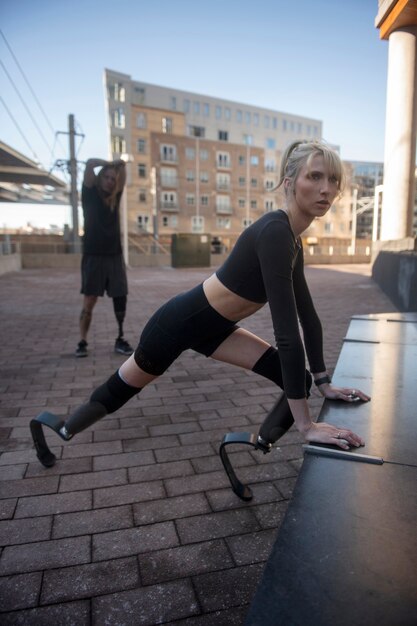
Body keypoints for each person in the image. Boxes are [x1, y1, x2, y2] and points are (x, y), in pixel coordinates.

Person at [33, 140, 370, 469]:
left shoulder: (293, 241)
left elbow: (308, 318)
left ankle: (259, 441)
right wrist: (307, 426)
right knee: (120, 391)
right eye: (315, 176)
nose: (326, 188)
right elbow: (286, 333)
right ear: (289, 182)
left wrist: (325, 383)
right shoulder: (275, 232)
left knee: (300, 379)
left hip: (215, 329)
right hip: (174, 325)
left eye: (333, 179)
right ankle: (63, 428)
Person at [75, 158, 134, 358]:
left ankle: (120, 337)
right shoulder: (89, 194)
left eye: (112, 178)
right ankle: (82, 341)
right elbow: (90, 163)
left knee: (120, 296)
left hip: (114, 256)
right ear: (100, 179)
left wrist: (121, 166)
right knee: (90, 300)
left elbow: (122, 178)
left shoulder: (115, 199)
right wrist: (109, 162)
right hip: (93, 256)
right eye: (107, 177)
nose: (110, 181)